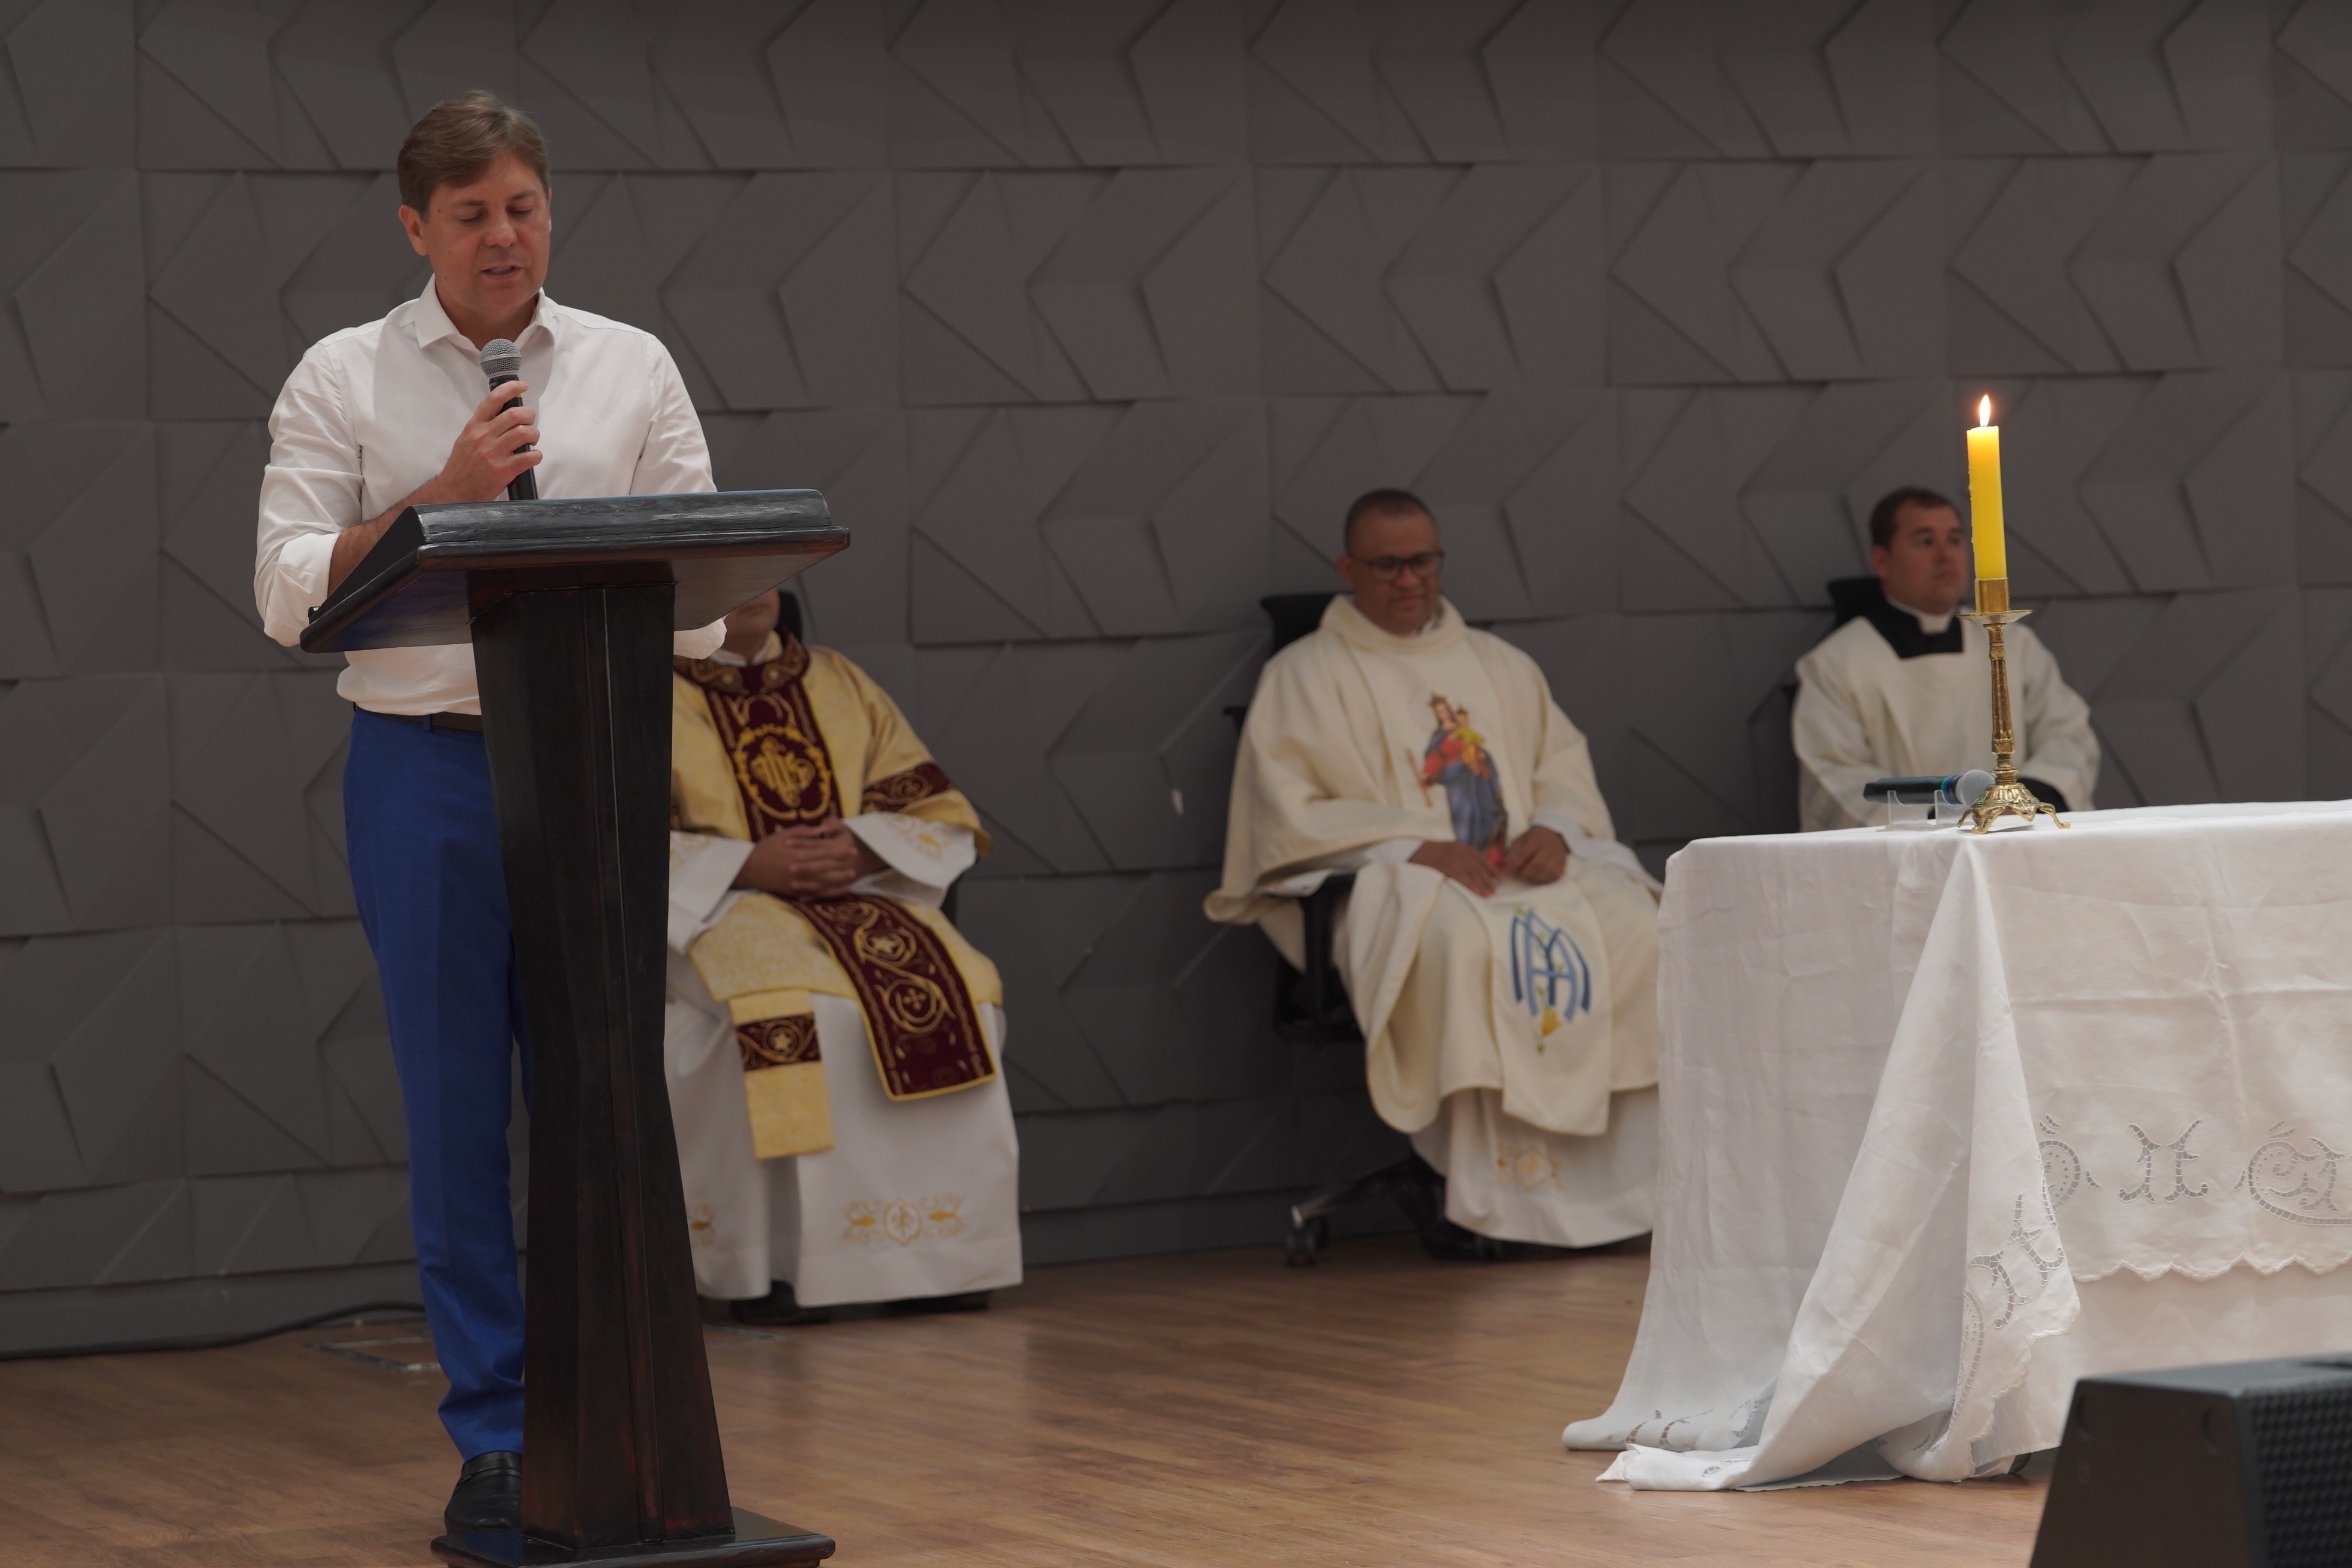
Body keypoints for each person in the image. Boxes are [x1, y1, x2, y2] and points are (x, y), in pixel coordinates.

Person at [253, 93, 724, 1534]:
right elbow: (285, 589)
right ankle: (499, 1433)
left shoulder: (632, 365)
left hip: (595, 758)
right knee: (460, 1113)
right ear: (418, 228)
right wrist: (438, 502)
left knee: (607, 1097)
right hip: (428, 769)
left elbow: (705, 588)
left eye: (522, 206)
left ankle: (621, 1411)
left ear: (548, 211)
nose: (503, 235)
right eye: (471, 215)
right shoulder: (342, 374)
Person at [1206, 490, 1659, 1251]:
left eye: (1423, 561)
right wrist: (1408, 844)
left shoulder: (1499, 664)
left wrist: (1553, 829)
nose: (1409, 579)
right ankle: (1487, 1194)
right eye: (1387, 564)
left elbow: (1561, 769)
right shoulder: (1304, 675)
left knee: (1640, 925)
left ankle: (1630, 1184)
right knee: (1465, 942)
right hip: (1395, 883)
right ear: (1348, 568)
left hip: (1517, 871)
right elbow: (1284, 812)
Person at [664, 590, 1020, 1325]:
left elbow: (937, 813)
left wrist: (863, 849)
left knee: (966, 995)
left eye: (770, 573)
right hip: (708, 910)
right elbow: (608, 835)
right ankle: (782, 1264)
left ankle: (942, 1254)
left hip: (856, 898)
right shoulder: (645, 691)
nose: (755, 590)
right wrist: (745, 862)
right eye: (735, 574)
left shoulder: (839, 682)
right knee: (798, 1012)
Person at [1793, 486, 2099, 831]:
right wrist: (1939, 822)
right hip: (1910, 845)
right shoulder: (1837, 662)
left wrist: (2019, 800)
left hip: (2015, 834)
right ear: (1882, 561)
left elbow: (2068, 736)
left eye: (1954, 540)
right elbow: (1836, 774)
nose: (1945, 556)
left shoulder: (2015, 644)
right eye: (1925, 542)